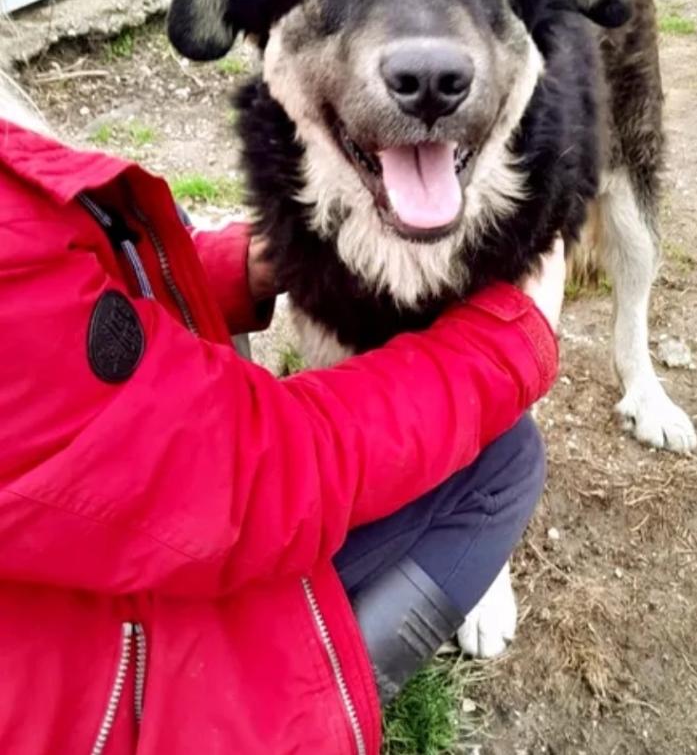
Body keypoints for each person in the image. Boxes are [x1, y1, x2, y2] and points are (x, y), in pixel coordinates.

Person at [0, 71, 566, 755]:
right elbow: (239, 479)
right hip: (107, 714)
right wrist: (508, 343)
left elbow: (58, 317)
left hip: (62, 633)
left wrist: (251, 263)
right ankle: (308, 707)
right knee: (506, 458)